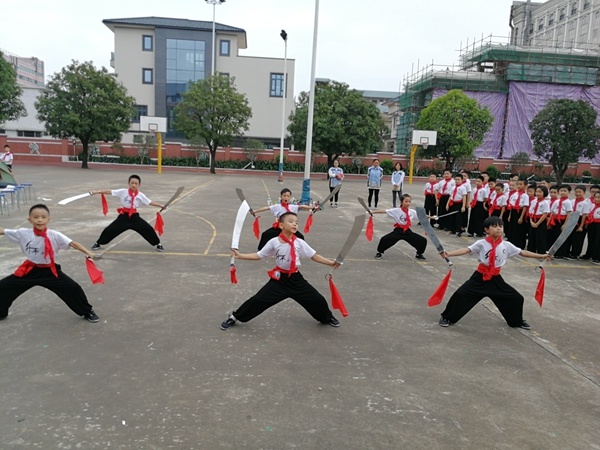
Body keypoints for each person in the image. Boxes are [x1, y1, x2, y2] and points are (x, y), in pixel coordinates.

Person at [220, 212, 341, 330]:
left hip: (296, 279)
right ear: (281, 225)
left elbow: (314, 256)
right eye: (291, 221)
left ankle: (327, 318)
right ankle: (234, 317)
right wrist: (240, 256)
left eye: (296, 222)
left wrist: (330, 263)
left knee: (317, 299)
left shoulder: (299, 242)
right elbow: (259, 255)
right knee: (258, 300)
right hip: (279, 280)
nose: (295, 224)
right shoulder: (274, 242)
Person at [437, 216, 552, 330]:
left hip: (496, 279)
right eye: (494, 226)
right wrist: (449, 254)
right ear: (487, 230)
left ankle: (516, 321)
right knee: (460, 295)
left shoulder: (506, 245)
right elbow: (467, 250)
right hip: (480, 277)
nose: (498, 228)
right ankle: (447, 317)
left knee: (516, 298)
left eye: (500, 226)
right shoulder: (481, 243)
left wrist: (541, 256)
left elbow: (522, 253)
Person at [0, 204, 100, 323]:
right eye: (36, 217)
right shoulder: (22, 233)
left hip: (50, 271)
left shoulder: (55, 235)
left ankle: (87, 311)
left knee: (73, 288)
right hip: (29, 270)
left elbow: (73, 243)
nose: (40, 220)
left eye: (43, 217)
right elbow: (2, 231)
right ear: (29, 219)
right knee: (3, 286)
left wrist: (89, 252)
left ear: (48, 219)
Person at [89, 174, 166, 252]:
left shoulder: (140, 195)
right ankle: (98, 243)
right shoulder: (123, 192)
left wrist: (161, 205)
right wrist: (97, 192)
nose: (133, 185)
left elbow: (150, 202)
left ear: (139, 185)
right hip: (124, 216)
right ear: (129, 183)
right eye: (132, 183)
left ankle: (158, 244)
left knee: (147, 229)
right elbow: (110, 191)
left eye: (136, 183)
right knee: (110, 229)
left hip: (134, 217)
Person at [372, 194, 427, 261]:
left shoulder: (412, 212)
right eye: (406, 201)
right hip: (399, 230)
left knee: (423, 241)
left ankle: (419, 254)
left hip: (407, 230)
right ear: (401, 202)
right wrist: (372, 212)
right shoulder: (396, 210)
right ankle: (380, 252)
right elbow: (385, 211)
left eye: (409, 201)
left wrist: (431, 217)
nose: (408, 203)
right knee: (385, 239)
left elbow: (421, 216)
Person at [547, 184, 572, 259]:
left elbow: (568, 213)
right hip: (555, 220)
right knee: (554, 236)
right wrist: (549, 222)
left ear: (569, 192)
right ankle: (553, 252)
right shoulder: (556, 201)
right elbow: (552, 212)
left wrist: (565, 224)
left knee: (561, 238)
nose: (563, 192)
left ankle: (561, 253)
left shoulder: (568, 202)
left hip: (562, 220)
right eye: (561, 191)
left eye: (565, 191)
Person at [568, 185, 592, 259]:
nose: (578, 193)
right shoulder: (572, 201)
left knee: (578, 238)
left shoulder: (585, 203)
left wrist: (581, 226)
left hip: (580, 220)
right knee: (570, 237)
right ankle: (569, 252)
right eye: (576, 192)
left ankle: (575, 253)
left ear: (584, 193)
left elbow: (584, 215)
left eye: (580, 192)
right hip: (572, 219)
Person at [526, 186, 550, 254]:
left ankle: (541, 252)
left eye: (540, 192)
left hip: (540, 220)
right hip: (533, 219)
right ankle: (531, 250)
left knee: (540, 237)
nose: (538, 193)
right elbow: (531, 212)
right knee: (531, 236)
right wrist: (531, 221)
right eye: (537, 191)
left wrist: (537, 224)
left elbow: (545, 214)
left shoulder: (545, 202)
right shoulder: (534, 201)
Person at [506, 178, 529, 249]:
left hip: (520, 212)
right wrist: (510, 215)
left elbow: (525, 207)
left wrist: (521, 217)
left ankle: (519, 244)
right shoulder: (515, 194)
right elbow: (511, 206)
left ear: (525, 186)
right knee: (512, 228)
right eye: (518, 184)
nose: (519, 186)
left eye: (521, 184)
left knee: (519, 229)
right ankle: (511, 243)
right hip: (514, 212)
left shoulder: (525, 196)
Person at [585, 191, 600, 264]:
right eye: (596, 197)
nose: (597, 199)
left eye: (599, 197)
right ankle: (590, 255)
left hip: (598, 225)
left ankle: (597, 257)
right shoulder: (593, 205)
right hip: (592, 224)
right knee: (591, 240)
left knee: (598, 241)